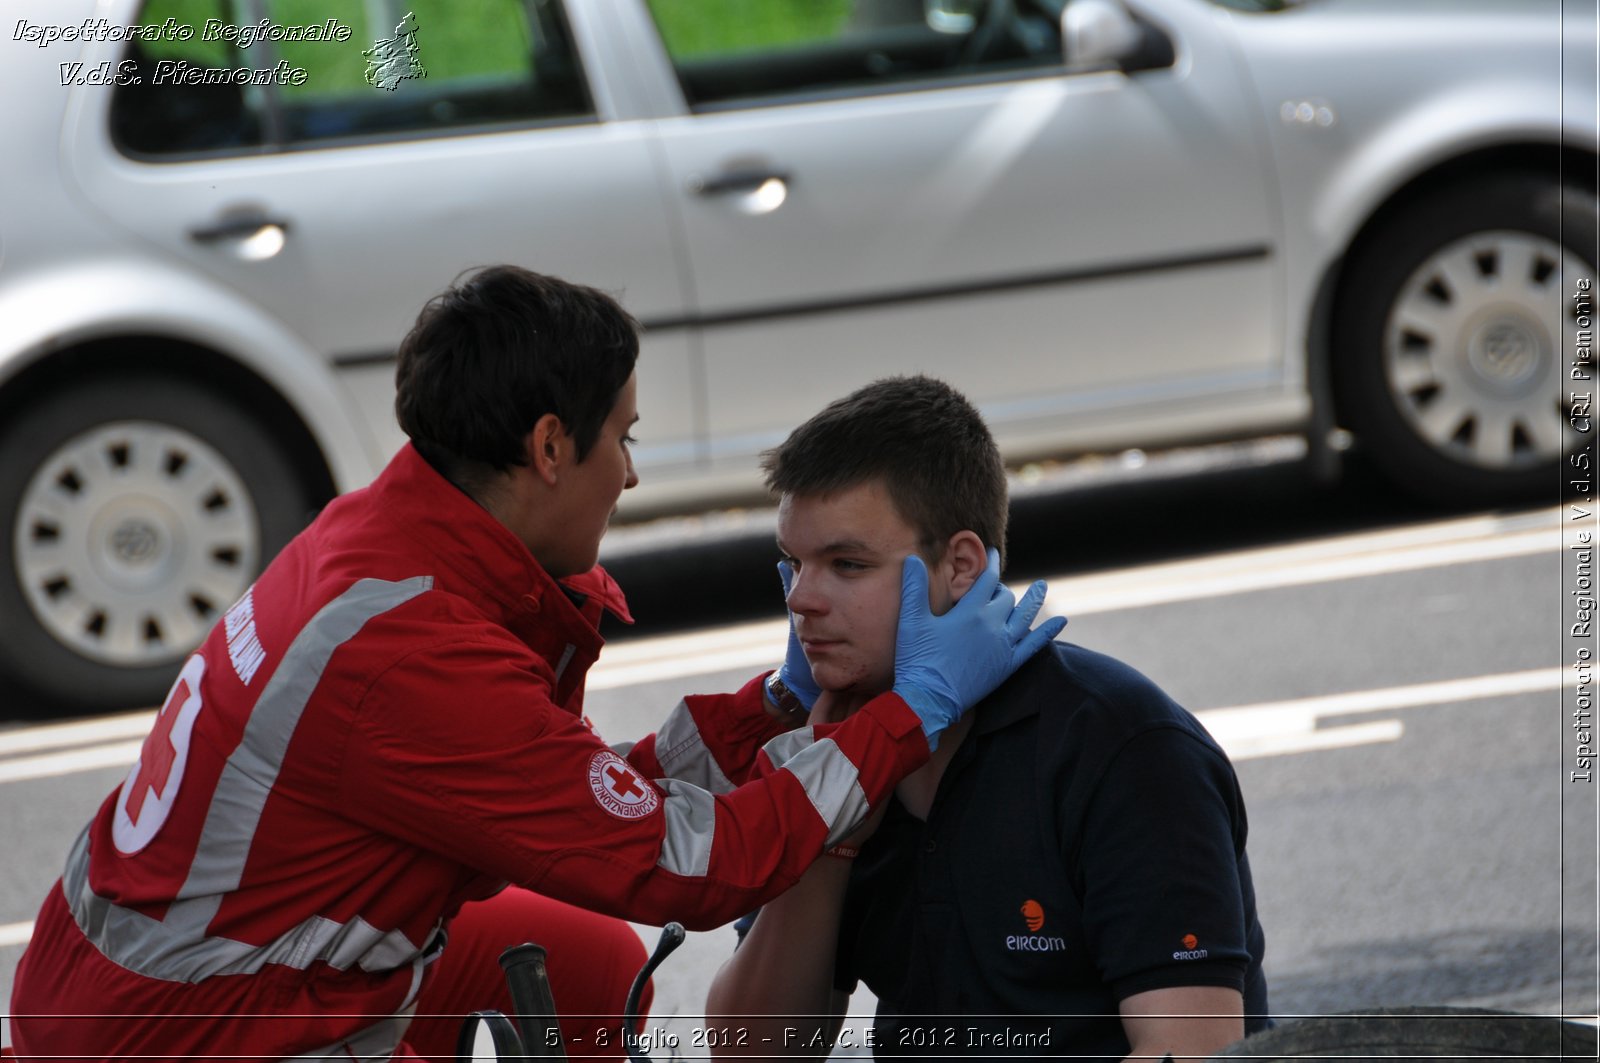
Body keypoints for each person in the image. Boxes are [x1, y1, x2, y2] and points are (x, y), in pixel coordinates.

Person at [8, 269, 1065, 1062]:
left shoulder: (386, 538)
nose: (632, 474)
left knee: (592, 965)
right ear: (552, 447)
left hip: (140, 972)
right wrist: (912, 710)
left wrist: (773, 705)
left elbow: (553, 790)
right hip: (194, 1029)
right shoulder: (411, 655)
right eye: (622, 436)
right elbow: (692, 867)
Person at [705, 376, 1269, 1063]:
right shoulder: (829, 742)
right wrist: (825, 837)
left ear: (961, 565)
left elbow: (1194, 1049)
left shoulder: (1123, 748)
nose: (802, 599)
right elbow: (753, 1053)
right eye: (793, 563)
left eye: (847, 564)